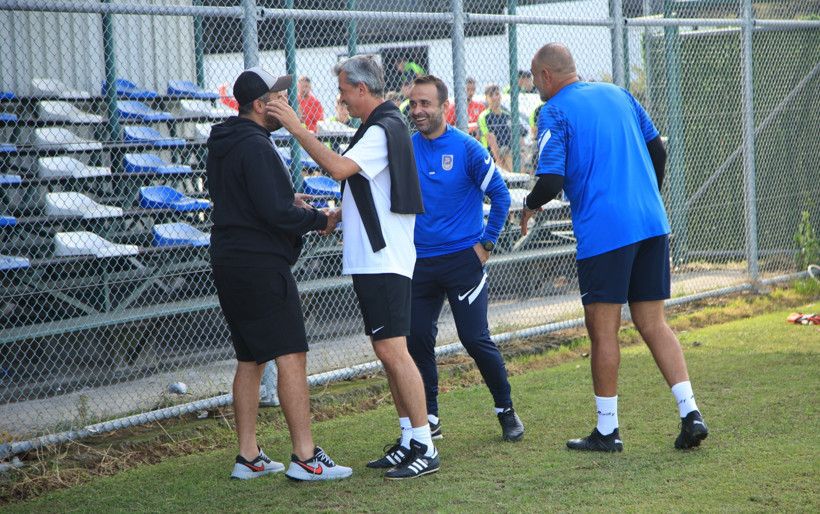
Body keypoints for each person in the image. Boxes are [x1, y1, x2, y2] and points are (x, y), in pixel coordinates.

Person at [521, 43, 709, 452]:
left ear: (547, 76)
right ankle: (690, 413)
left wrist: (528, 205)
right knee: (654, 322)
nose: (535, 86)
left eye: (535, 78)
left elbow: (550, 181)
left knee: (603, 332)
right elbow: (658, 149)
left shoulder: (553, 110)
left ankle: (607, 431)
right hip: (651, 222)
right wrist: (644, 196)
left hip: (606, 232)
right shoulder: (617, 93)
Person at [267, 54, 440, 480]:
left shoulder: (384, 127)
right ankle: (408, 440)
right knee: (387, 352)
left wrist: (296, 125)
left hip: (385, 259)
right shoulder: (379, 125)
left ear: (363, 89)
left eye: (344, 90)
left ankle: (425, 444)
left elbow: (339, 167)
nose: (340, 97)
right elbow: (371, 192)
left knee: (394, 351)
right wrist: (333, 214)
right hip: (374, 258)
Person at [206, 67, 353, 481]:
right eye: (278, 97)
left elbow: (250, 200)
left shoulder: (226, 139)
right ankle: (306, 458)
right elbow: (274, 212)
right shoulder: (256, 144)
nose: (285, 102)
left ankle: (248, 456)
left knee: (250, 357)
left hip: (230, 258)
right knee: (291, 353)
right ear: (260, 105)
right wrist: (316, 217)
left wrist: (290, 200)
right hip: (259, 262)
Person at [406, 75, 524, 442]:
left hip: (463, 262)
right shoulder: (405, 147)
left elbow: (501, 197)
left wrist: (486, 245)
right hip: (418, 263)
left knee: (474, 339)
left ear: (444, 108)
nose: (417, 111)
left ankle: (505, 410)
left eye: (425, 104)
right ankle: (429, 419)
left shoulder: (466, 148)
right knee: (416, 342)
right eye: (413, 104)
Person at [477, 83, 516, 172]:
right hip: (493, 156)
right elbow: (492, 145)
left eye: (497, 94)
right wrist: (505, 170)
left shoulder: (507, 115)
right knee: (504, 151)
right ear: (486, 98)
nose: (495, 98)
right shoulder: (484, 117)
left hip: (510, 153)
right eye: (491, 95)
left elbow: (518, 138)